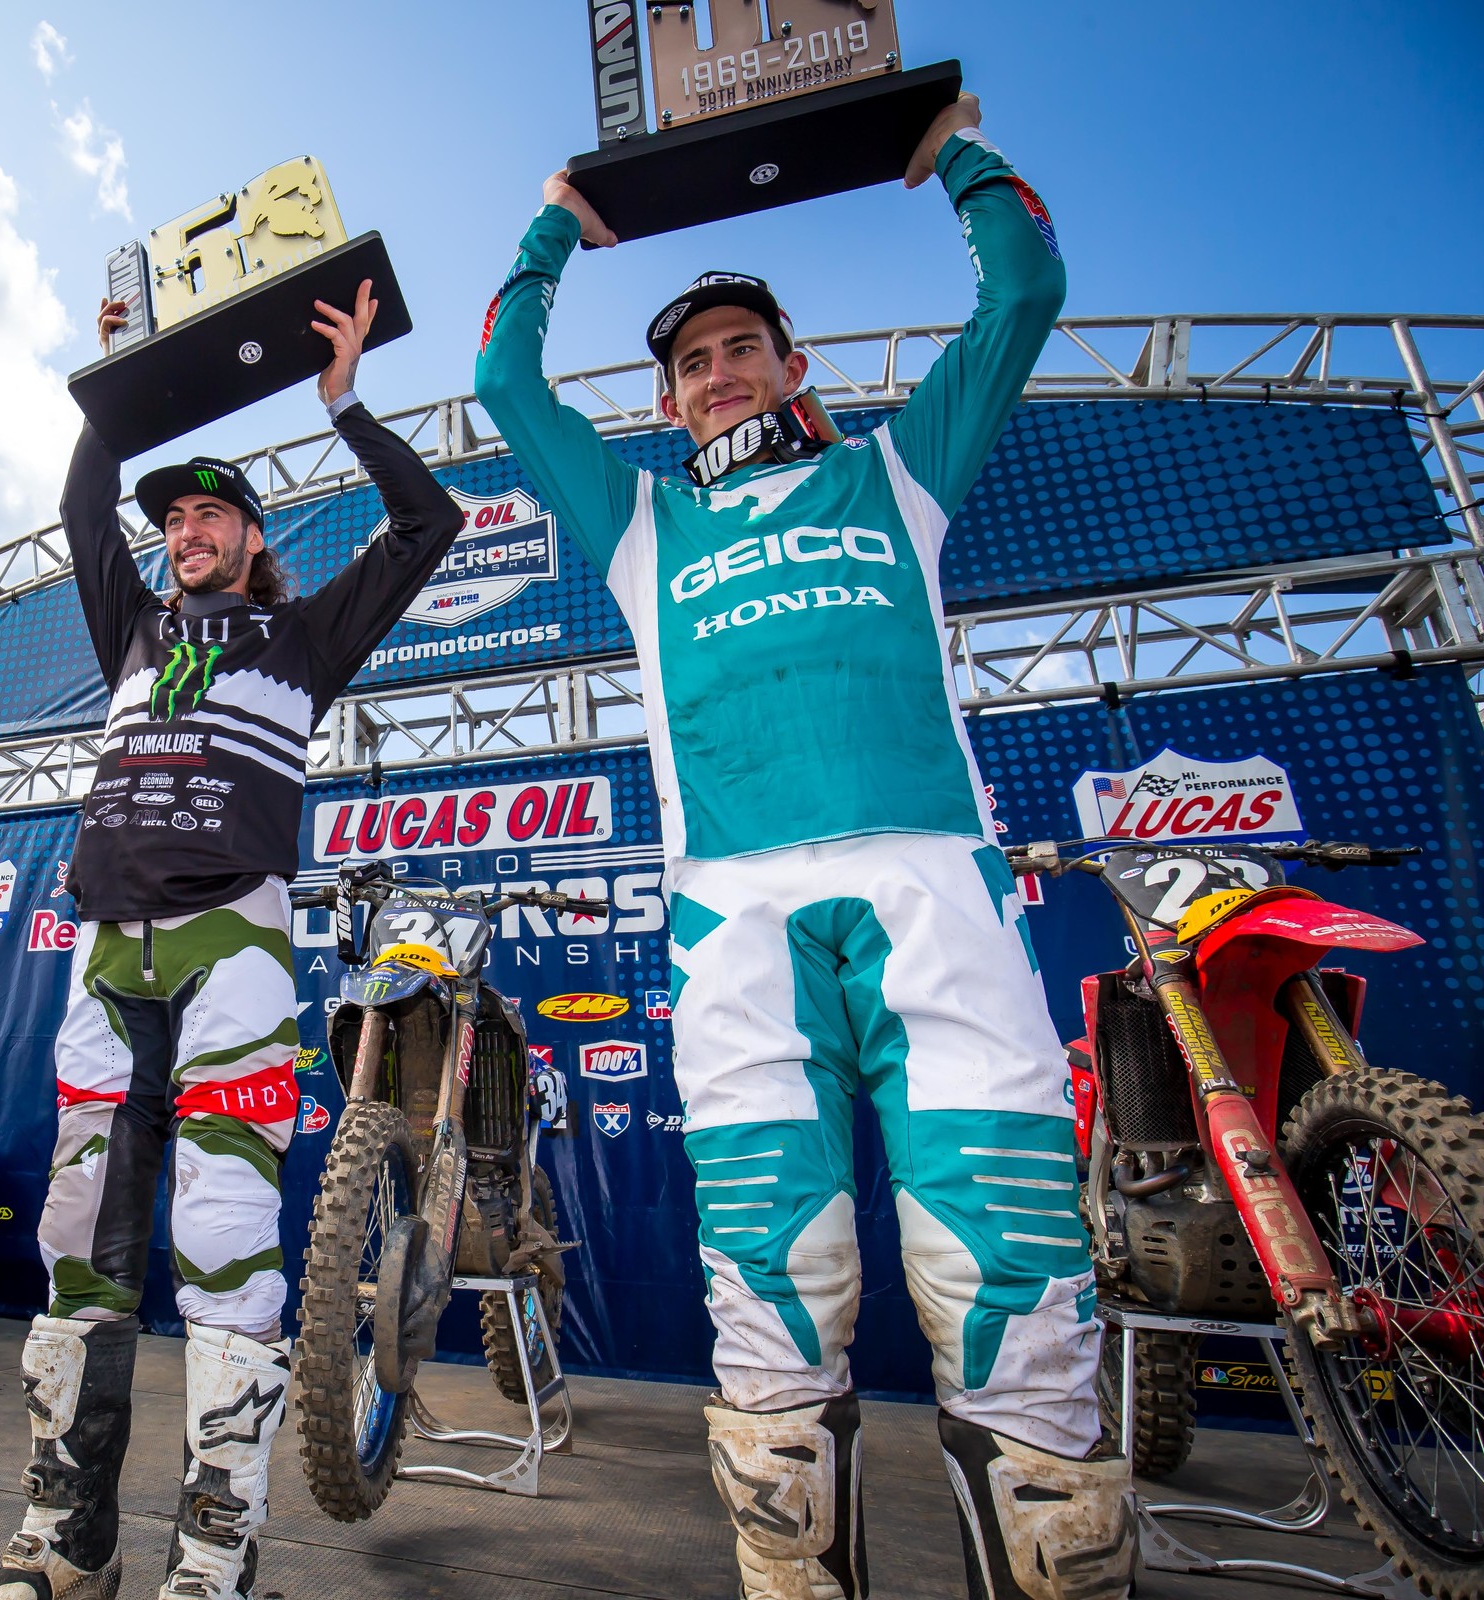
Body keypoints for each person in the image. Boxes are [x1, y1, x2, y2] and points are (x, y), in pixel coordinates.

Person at [474, 97, 1134, 1598]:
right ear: (670, 398)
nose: (717, 374)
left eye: (739, 349)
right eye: (691, 361)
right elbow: (503, 380)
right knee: (777, 1299)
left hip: (934, 890)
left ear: (792, 366)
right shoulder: (643, 525)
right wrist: (554, 228)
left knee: (1010, 1281)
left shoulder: (893, 479)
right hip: (737, 921)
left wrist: (948, 153)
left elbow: (1024, 290)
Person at [0, 283, 460, 1600]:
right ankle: (62, 1546)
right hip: (106, 947)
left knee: (232, 1239)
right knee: (79, 1241)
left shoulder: (303, 635)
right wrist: (118, 385)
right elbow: (89, 504)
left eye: (210, 516)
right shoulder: (130, 624)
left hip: (232, 937)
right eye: (175, 518)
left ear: (254, 538)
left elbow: (429, 523)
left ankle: (217, 1557)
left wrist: (346, 403)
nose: (185, 532)